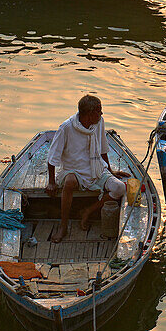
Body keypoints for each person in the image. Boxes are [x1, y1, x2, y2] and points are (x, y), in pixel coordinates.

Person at [45, 95, 128, 243]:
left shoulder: (99, 122)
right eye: (99, 111)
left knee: (120, 187)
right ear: (90, 114)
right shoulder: (66, 128)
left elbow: (102, 149)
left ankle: (87, 211)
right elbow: (52, 158)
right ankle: (63, 226)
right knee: (69, 182)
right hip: (73, 171)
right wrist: (51, 182)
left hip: (96, 168)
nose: (101, 114)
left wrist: (110, 171)